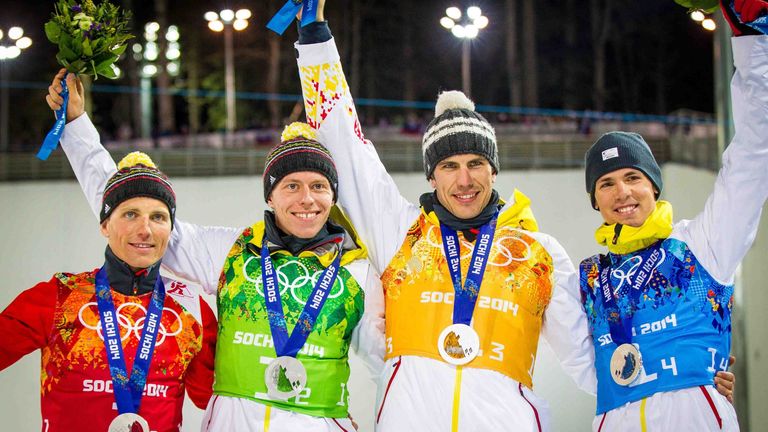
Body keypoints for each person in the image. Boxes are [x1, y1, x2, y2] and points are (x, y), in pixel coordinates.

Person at [290, 1, 737, 430]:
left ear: (494, 169)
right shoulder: (401, 233)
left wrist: (689, 376)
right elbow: (347, 146)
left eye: (475, 164)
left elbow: (593, 355)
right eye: (449, 167)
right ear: (432, 177)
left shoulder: (537, 254)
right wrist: (314, 39)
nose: (464, 180)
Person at [46, 70, 384, 431]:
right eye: (291, 186)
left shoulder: (357, 272)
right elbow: (127, 209)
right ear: (270, 196)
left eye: (319, 186)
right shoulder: (232, 251)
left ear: (332, 196)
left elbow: (387, 363)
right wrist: (77, 128)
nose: (307, 199)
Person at [577, 2, 766, 430]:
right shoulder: (587, 278)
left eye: (632, 177)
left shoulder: (702, 244)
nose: (622, 192)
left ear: (654, 186)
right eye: (606, 184)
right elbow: (570, 354)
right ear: (595, 202)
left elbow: (753, 157)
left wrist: (753, 42)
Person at [0, 151, 217, 432]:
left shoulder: (193, 310)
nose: (146, 230)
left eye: (158, 217)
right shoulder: (60, 297)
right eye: (130, 214)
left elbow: (214, 400)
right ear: (105, 225)